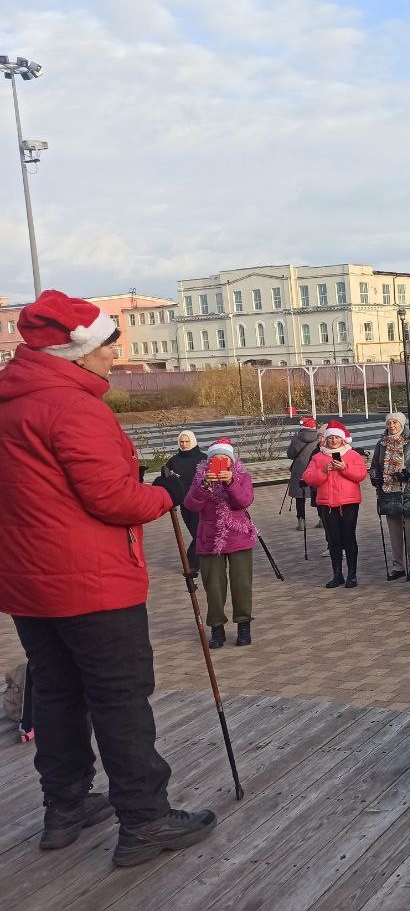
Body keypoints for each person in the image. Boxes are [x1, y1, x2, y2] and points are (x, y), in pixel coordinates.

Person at [0, 289, 216, 865]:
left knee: (56, 691)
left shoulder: (12, 401)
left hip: (28, 580)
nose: (116, 357)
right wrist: (167, 491)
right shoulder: (72, 407)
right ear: (75, 351)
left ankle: (65, 806)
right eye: (108, 346)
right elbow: (115, 500)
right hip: (91, 581)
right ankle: (144, 821)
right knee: (120, 698)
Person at [182, 438, 256, 648]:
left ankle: (244, 625)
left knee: (241, 584)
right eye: (216, 459)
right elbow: (190, 505)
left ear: (232, 461)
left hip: (238, 535)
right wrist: (204, 486)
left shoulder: (242, 477)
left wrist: (230, 482)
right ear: (209, 461)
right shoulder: (200, 478)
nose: (220, 463)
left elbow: (243, 501)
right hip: (210, 538)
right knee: (213, 586)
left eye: (225, 459)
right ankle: (217, 628)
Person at [303, 421, 368, 589]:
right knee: (333, 540)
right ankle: (337, 574)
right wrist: (323, 471)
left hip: (348, 503)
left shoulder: (352, 455)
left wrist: (344, 468)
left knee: (349, 538)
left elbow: (361, 475)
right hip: (327, 504)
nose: (333, 441)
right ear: (325, 439)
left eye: (336, 438)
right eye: (330, 438)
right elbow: (309, 478)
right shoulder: (318, 457)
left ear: (342, 440)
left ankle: (352, 574)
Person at [370, 412, 410, 582]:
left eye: (395, 422)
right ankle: (398, 566)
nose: (392, 425)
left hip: (408, 492)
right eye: (389, 423)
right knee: (394, 532)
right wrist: (375, 477)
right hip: (388, 492)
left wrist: (408, 474)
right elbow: (374, 466)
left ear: (402, 424)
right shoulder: (381, 445)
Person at [156, 430, 204, 563]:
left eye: (187, 441)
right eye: (182, 442)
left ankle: (192, 563)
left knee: (199, 533)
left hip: (201, 502)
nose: (184, 444)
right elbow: (165, 477)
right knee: (196, 533)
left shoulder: (203, 458)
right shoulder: (174, 461)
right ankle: (205, 558)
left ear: (193, 441)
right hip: (184, 503)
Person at [286, 417, 321, 531]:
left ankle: (301, 522)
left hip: (299, 470)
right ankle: (322, 519)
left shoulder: (296, 439)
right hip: (316, 469)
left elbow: (290, 455)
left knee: (300, 497)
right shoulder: (319, 438)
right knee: (318, 495)